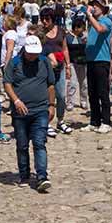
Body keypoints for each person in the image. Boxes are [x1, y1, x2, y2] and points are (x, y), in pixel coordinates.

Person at [3, 35, 56, 192]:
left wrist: (51, 105)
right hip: (20, 112)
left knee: (39, 142)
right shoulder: (15, 63)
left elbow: (51, 85)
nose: (33, 56)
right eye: (30, 53)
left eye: (35, 53)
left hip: (40, 110)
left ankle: (42, 176)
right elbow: (7, 83)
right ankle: (24, 174)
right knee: (22, 144)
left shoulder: (44, 62)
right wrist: (16, 100)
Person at [40, 8, 73, 136]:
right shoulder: (41, 33)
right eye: (42, 19)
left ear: (53, 19)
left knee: (61, 96)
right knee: (46, 97)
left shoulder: (60, 31)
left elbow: (65, 49)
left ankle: (60, 120)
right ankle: (47, 122)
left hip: (59, 68)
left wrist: (68, 65)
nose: (44, 21)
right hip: (46, 70)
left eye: (47, 19)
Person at [84, 0, 112, 133]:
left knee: (103, 92)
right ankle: (94, 121)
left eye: (96, 6)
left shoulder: (106, 21)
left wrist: (89, 16)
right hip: (91, 60)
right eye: (92, 5)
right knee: (92, 93)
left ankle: (106, 121)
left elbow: (100, 30)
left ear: (103, 8)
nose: (94, 7)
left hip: (102, 60)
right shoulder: (92, 23)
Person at [66, 17, 89, 111]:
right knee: (72, 83)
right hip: (72, 63)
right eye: (81, 27)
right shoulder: (68, 37)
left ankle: (83, 101)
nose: (82, 30)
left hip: (83, 63)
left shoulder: (84, 37)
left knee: (84, 83)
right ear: (75, 28)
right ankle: (70, 102)